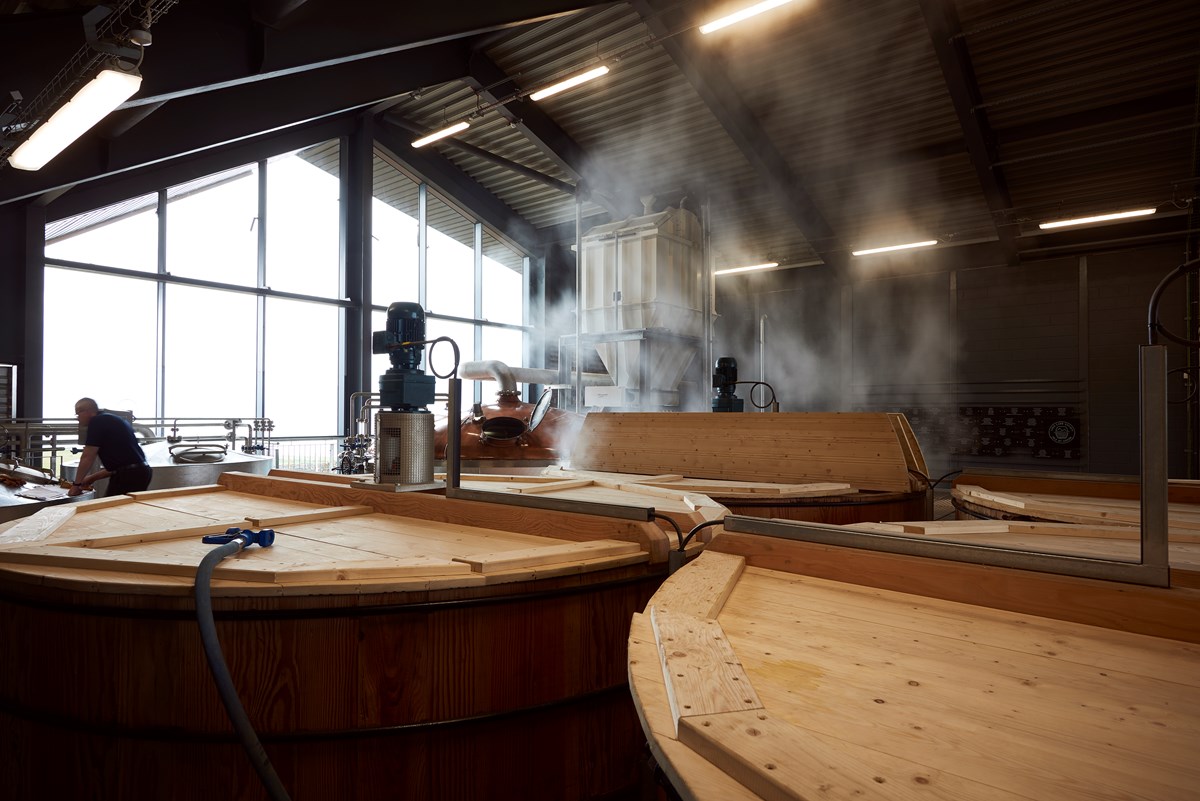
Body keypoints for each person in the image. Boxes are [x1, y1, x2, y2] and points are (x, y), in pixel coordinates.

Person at [66, 398, 153, 497]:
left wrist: (76, 485)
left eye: (78, 414)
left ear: (87, 411)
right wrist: (91, 478)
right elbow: (119, 466)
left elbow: (87, 457)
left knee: (111, 506)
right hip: (142, 472)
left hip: (129, 475)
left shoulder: (96, 422)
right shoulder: (110, 419)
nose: (77, 418)